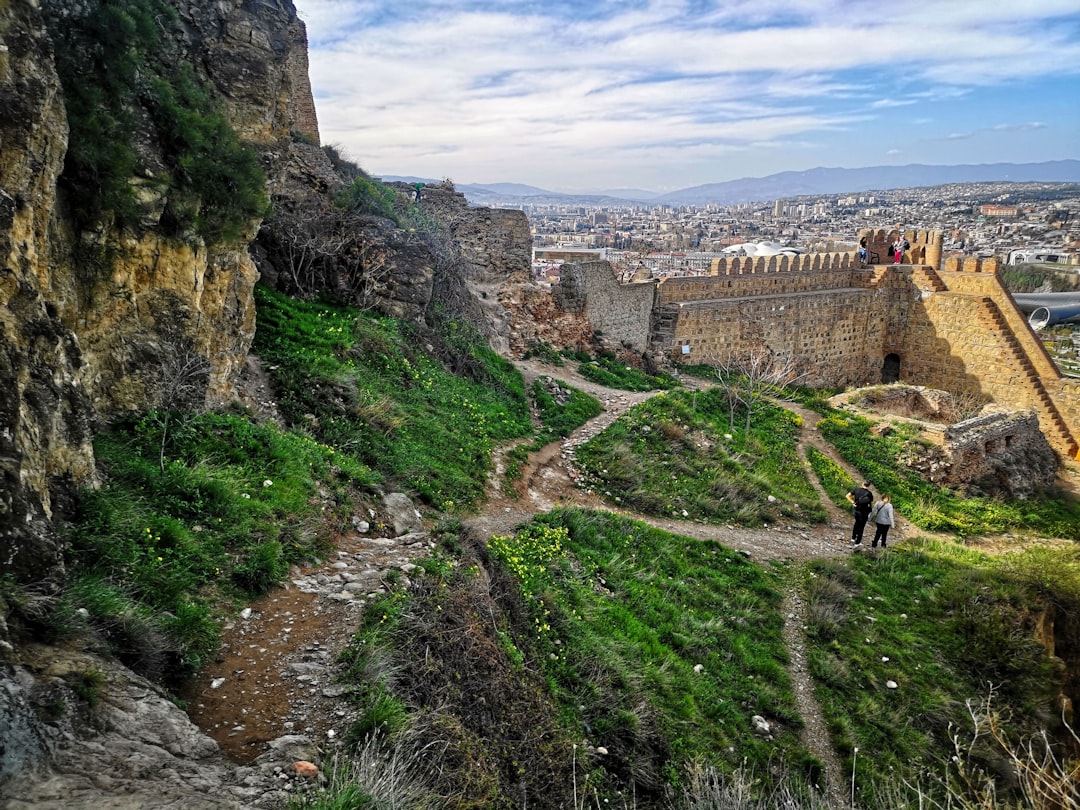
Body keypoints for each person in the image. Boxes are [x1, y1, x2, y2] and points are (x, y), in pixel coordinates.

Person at [846, 480, 874, 545]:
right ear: (869, 486)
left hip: (857, 510)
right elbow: (871, 503)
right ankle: (858, 542)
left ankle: (853, 538)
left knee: (856, 523)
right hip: (865, 512)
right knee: (862, 526)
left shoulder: (856, 490)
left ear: (863, 483)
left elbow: (847, 496)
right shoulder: (869, 494)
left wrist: (852, 502)